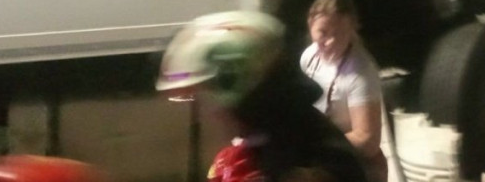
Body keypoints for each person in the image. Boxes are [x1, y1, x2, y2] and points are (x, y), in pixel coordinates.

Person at [156, 11, 368, 182]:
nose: (213, 112)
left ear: (246, 92)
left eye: (211, 94)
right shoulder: (277, 145)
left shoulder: (310, 165)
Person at [300, 0, 388, 182]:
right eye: (323, 32)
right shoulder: (309, 57)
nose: (330, 41)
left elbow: (368, 140)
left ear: (352, 29)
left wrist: (317, 145)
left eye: (339, 34)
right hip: (320, 155)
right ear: (310, 24)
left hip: (353, 164)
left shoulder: (361, 73)